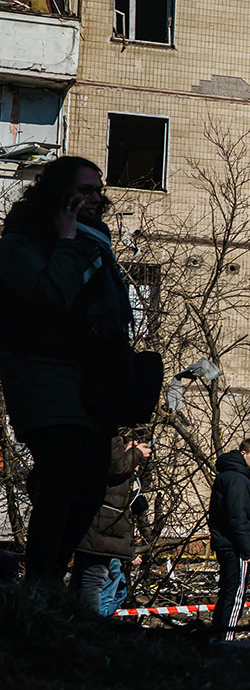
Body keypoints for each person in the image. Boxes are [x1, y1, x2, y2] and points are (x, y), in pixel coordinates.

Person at [0, 157, 140, 587]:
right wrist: (66, 241)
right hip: (41, 374)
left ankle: (49, 581)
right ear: (57, 193)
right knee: (62, 478)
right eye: (84, 190)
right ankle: (40, 584)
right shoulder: (20, 243)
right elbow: (51, 297)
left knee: (91, 483)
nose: (95, 198)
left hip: (87, 381)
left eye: (97, 190)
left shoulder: (95, 242)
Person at [69, 434, 151, 617]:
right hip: (103, 528)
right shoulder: (105, 432)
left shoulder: (96, 436)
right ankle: (89, 627)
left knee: (86, 578)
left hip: (99, 527)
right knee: (96, 580)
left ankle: (72, 625)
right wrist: (135, 454)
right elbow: (116, 468)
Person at [209, 439, 250, 640]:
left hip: (226, 544)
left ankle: (216, 639)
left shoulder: (227, 476)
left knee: (226, 593)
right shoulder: (238, 480)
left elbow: (231, 511)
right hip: (236, 547)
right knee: (235, 596)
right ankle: (226, 641)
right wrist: (248, 548)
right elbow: (236, 518)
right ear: (243, 453)